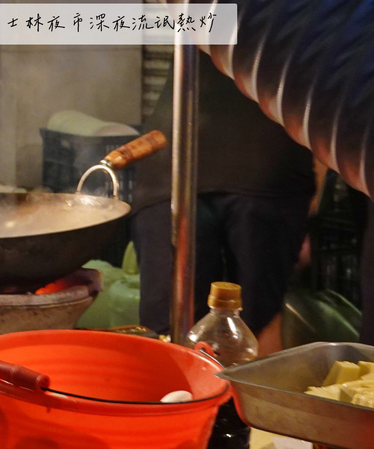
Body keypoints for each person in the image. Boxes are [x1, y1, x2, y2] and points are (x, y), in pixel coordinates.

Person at [131, 52, 316, 338]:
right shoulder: (315, 13)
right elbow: (327, 118)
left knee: (168, 332)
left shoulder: (203, 8)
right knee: (255, 329)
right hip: (265, 165)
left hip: (171, 164)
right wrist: (307, 213)